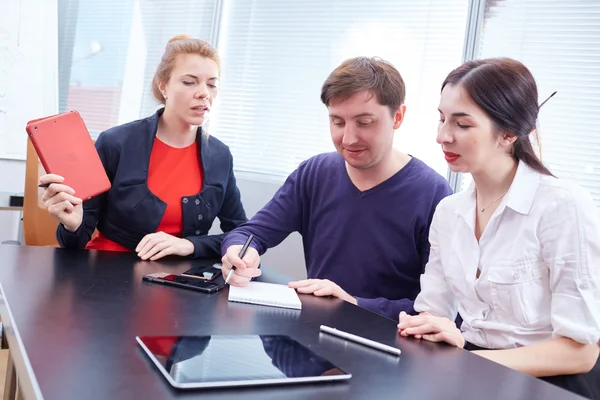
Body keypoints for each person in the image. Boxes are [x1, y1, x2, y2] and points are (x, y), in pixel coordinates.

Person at [397, 58, 600, 399]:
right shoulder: (449, 212)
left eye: (462, 124)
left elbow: (580, 352)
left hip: (553, 386)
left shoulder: (563, 207)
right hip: (473, 370)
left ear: (508, 133)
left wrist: (471, 358)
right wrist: (427, 327)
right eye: (442, 118)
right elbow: (433, 309)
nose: (442, 136)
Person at [221, 57, 452, 319]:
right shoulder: (314, 173)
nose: (348, 139)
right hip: (316, 337)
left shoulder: (433, 194)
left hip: (392, 344)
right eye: (337, 122)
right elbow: (253, 233)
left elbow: (442, 311)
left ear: (397, 117)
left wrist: (353, 303)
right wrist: (238, 253)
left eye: (364, 123)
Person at [40, 35, 247, 260]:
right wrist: (73, 225)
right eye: (189, 82)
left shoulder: (221, 156)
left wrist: (189, 245)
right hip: (108, 272)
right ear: (163, 86)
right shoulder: (115, 142)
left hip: (179, 280)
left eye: (212, 84)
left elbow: (242, 235)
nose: (204, 93)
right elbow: (74, 241)